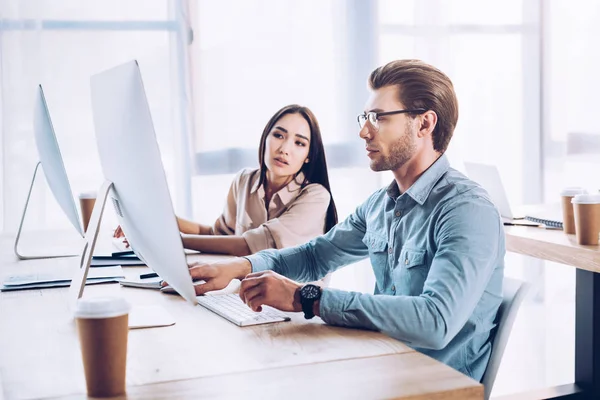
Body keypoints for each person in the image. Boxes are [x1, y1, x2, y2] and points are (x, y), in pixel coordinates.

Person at [179, 60, 505, 381]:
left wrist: (304, 298)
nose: (364, 131)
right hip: (383, 366)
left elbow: (435, 323)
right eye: (365, 117)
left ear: (424, 124)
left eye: (378, 118)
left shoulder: (465, 209)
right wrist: (241, 267)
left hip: (433, 386)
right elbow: (315, 256)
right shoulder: (380, 206)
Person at [115, 104, 338, 257]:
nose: (284, 149)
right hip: (245, 297)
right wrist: (155, 220)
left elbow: (248, 246)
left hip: (295, 309)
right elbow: (217, 235)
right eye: (278, 135)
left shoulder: (316, 196)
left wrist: (171, 239)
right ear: (265, 138)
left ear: (309, 155)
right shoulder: (244, 181)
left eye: (299, 143)